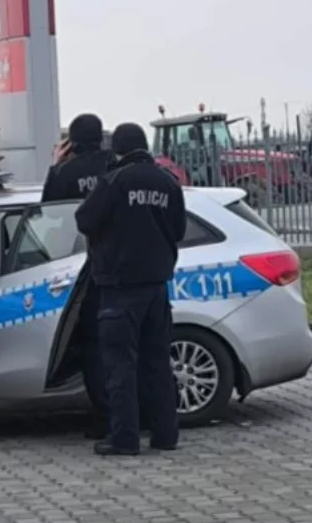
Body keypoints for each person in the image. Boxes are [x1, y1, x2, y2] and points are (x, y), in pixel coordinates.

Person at [74, 122, 185, 456]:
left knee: (120, 366)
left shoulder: (114, 181)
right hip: (157, 288)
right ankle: (166, 435)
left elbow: (84, 220)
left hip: (119, 289)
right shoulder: (168, 183)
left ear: (118, 149)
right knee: (158, 364)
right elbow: (178, 230)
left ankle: (124, 438)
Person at [41, 114, 114, 440]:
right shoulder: (115, 166)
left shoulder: (66, 173)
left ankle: (106, 417)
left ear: (71, 141)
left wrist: (55, 166)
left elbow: (47, 211)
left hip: (80, 268)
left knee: (93, 347)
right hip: (121, 265)